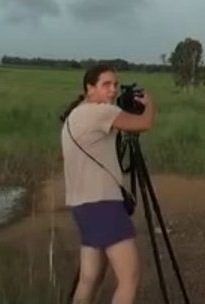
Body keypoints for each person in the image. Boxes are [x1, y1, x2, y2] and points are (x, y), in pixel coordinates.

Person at [59, 63, 156, 304]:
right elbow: (144, 123)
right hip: (103, 204)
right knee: (129, 278)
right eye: (106, 85)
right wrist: (149, 104)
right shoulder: (98, 112)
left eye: (115, 85)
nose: (112, 90)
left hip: (82, 206)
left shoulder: (76, 115)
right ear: (89, 89)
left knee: (90, 278)